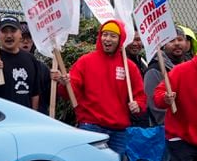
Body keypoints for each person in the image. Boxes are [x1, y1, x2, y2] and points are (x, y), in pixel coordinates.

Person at [56, 20, 146, 153]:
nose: (108, 39)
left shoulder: (129, 67)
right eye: (105, 34)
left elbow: (140, 95)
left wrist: (138, 104)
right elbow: (70, 93)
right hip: (91, 126)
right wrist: (65, 84)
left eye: (113, 36)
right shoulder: (85, 62)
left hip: (118, 130)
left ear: (120, 40)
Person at [0, 17, 41, 110]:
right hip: (0, 120)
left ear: (20, 34)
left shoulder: (31, 60)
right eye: (4, 31)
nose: (9, 35)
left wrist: (34, 118)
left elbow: (35, 94)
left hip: (25, 120)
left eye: (13, 31)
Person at [143, 27, 187, 126]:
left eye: (180, 39)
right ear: (163, 45)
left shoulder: (190, 67)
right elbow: (154, 107)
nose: (176, 43)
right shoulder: (155, 70)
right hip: (166, 130)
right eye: (171, 40)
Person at [18, 22, 52, 114]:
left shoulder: (42, 68)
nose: (26, 41)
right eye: (22, 38)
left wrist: (57, 82)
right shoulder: (3, 64)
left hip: (37, 117)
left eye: (29, 38)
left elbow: (51, 98)